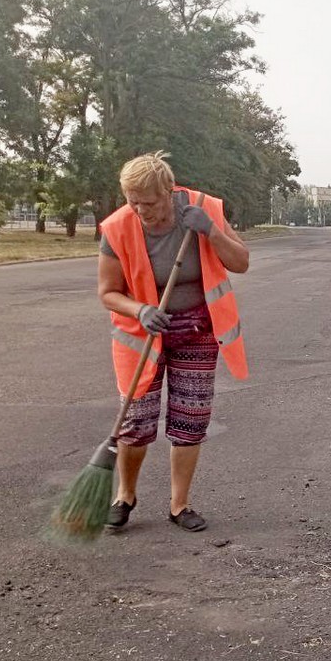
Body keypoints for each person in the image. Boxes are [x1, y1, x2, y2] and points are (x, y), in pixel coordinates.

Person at [98, 151, 250, 532]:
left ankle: (179, 505)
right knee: (136, 421)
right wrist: (139, 310)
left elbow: (241, 261)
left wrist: (210, 231)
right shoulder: (117, 227)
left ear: (169, 191)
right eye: (133, 202)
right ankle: (125, 496)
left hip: (196, 330)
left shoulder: (203, 209)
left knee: (190, 420)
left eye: (148, 203)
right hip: (144, 334)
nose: (140, 211)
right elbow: (108, 292)